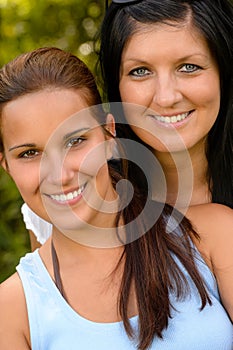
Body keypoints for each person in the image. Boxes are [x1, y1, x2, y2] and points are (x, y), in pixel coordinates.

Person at [0, 47, 232, 350]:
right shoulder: (13, 311)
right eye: (29, 154)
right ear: (6, 165)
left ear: (109, 135)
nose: (59, 175)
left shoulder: (211, 235)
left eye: (75, 140)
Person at [98, 0, 233, 211]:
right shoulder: (80, 196)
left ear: (223, 73)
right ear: (117, 85)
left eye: (188, 67)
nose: (166, 98)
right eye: (140, 71)